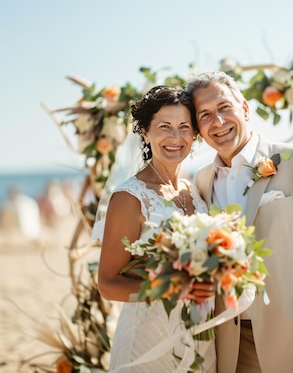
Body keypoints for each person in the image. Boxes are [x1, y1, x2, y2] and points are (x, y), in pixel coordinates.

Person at [186, 71, 293, 373]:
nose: (218, 121)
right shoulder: (200, 181)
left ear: (246, 109)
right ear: (198, 128)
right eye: (205, 115)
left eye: (225, 107)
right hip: (228, 346)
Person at [96, 85, 216, 373]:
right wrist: (173, 289)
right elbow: (108, 284)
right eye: (165, 127)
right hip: (147, 338)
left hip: (200, 335)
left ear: (195, 134)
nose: (176, 137)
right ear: (145, 133)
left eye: (184, 127)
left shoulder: (197, 190)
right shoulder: (129, 197)